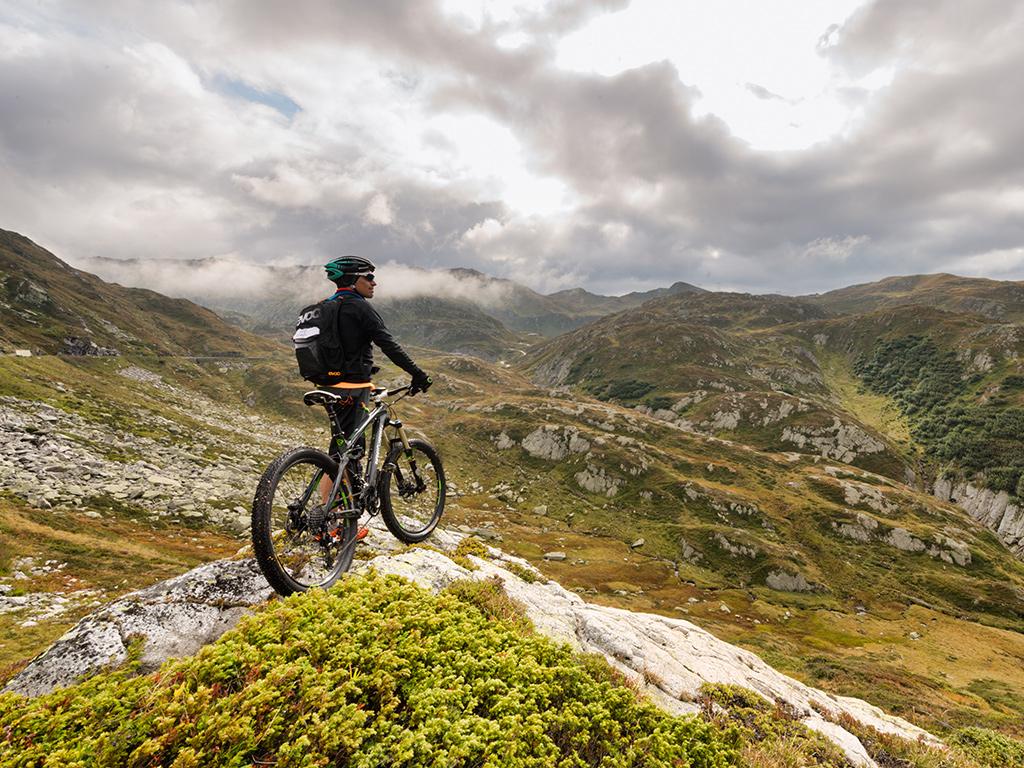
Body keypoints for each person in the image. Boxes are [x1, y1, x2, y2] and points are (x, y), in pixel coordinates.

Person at [317, 255, 432, 479]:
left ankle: (329, 508)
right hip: (351, 386)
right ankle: (334, 511)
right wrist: (418, 374)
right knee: (350, 453)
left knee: (340, 452)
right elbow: (388, 345)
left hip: (327, 383)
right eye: (369, 277)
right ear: (353, 280)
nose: (374, 283)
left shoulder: (325, 306)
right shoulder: (359, 306)